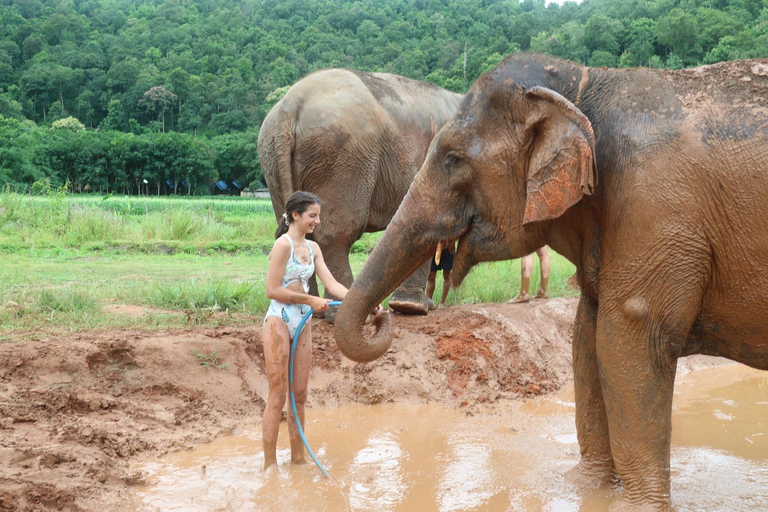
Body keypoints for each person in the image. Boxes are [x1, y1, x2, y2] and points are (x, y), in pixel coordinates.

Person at [262, 191, 380, 472]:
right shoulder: (283, 245)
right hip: (279, 320)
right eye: (312, 216)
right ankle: (269, 466)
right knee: (278, 395)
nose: (317, 221)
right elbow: (272, 290)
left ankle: (298, 459)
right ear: (295, 216)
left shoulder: (313, 249)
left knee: (299, 395)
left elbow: (331, 284)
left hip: (303, 322)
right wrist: (309, 300)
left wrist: (362, 302)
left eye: (318, 215)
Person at [427, 243, 455, 309]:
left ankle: (442, 302)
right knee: (431, 276)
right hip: (433, 246)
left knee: (447, 274)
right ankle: (428, 301)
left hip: (448, 246)